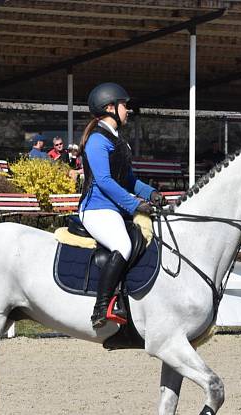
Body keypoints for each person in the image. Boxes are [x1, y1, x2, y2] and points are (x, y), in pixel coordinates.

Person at [79, 82, 162, 328]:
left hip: (114, 207)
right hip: (96, 209)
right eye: (124, 105)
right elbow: (103, 181)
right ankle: (101, 308)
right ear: (110, 107)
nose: (128, 110)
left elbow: (129, 180)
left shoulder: (119, 141)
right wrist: (135, 205)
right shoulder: (97, 140)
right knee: (123, 245)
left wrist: (152, 193)